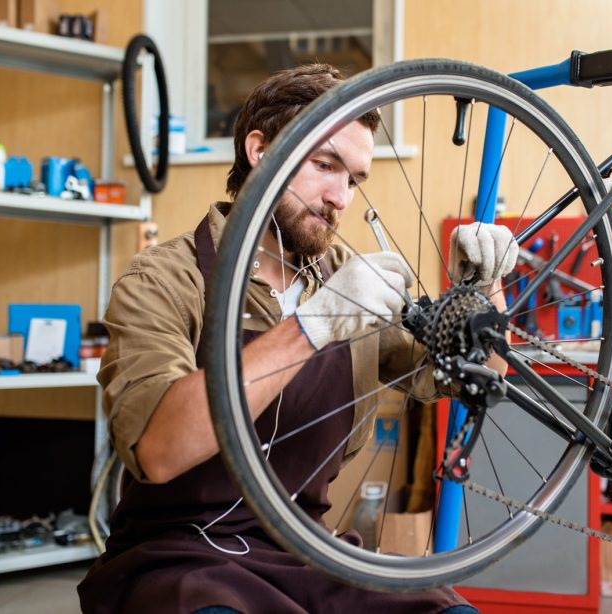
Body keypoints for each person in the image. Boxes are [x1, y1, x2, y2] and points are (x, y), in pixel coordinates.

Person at [78, 64, 517, 614]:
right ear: (260, 150)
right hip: (179, 557)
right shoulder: (164, 281)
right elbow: (159, 450)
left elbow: (472, 376)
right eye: (325, 165)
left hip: (310, 551)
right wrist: (312, 326)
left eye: (355, 179)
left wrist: (482, 295)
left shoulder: (347, 275)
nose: (340, 198)